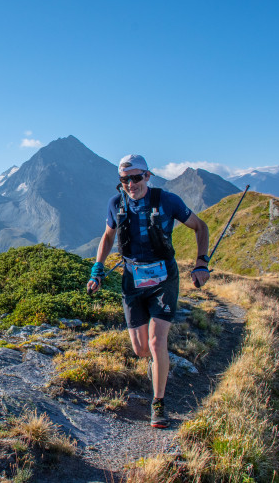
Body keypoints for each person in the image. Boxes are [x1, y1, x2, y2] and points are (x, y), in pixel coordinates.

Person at [86, 154, 210, 428]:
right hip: (132, 279)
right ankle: (159, 364)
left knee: (156, 342)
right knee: (141, 349)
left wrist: (202, 263)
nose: (131, 184)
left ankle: (158, 404)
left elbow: (200, 227)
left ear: (148, 176)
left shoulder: (168, 201)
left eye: (136, 177)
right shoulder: (116, 204)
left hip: (164, 278)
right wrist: (98, 268)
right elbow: (108, 237)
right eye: (124, 180)